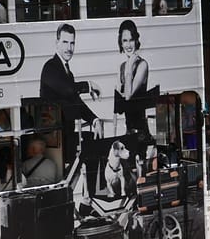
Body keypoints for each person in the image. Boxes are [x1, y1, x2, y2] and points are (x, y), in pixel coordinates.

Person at [39, 23, 99, 170]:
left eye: (72, 43)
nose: (69, 48)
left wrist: (94, 119)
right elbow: (67, 90)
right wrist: (88, 85)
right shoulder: (50, 67)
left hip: (67, 139)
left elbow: (75, 101)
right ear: (57, 43)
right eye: (65, 42)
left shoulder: (67, 72)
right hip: (55, 142)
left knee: (94, 147)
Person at [112, 19, 154, 142]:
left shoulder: (142, 65)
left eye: (131, 40)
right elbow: (119, 103)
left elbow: (128, 96)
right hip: (128, 131)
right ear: (120, 42)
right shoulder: (122, 67)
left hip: (141, 133)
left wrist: (129, 68)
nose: (128, 45)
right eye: (125, 40)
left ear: (136, 40)